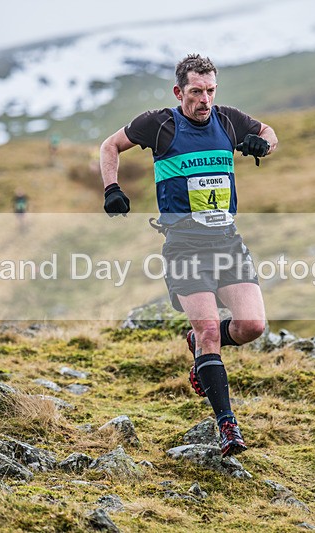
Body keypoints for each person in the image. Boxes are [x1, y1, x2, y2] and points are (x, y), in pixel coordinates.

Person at [99, 53, 278, 457]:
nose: (205, 100)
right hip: (184, 245)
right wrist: (112, 189)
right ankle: (227, 425)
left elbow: (270, 132)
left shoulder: (228, 120)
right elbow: (110, 145)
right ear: (179, 91)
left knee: (252, 326)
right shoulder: (159, 124)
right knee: (211, 331)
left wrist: (261, 144)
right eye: (196, 92)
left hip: (227, 240)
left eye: (210, 91)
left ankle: (197, 345)